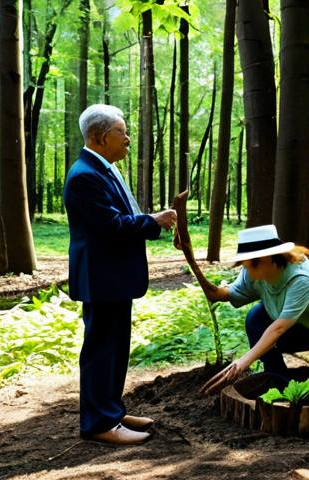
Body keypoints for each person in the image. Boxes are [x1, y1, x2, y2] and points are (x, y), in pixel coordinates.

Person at [64, 104, 177, 445]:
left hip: (113, 276)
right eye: (121, 132)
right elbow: (111, 226)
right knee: (101, 350)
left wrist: (149, 221)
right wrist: (153, 221)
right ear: (101, 137)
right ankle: (99, 423)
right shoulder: (85, 176)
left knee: (115, 349)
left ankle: (111, 409)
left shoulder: (104, 168)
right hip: (101, 277)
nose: (128, 139)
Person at [194, 225, 309, 395]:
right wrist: (199, 271)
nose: (247, 270)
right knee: (255, 317)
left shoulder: (301, 278)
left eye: (254, 262)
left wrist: (244, 361)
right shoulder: (253, 273)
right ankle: (279, 380)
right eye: (245, 264)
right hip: (303, 324)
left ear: (273, 257)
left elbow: (279, 327)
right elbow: (227, 294)